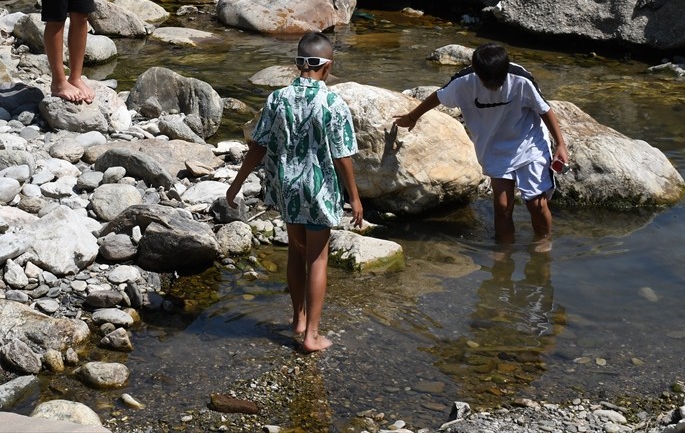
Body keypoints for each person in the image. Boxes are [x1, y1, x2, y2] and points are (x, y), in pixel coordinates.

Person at [226, 32, 365, 353]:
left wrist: (236, 183)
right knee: (318, 258)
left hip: (287, 187)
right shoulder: (333, 102)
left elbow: (257, 146)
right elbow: (342, 155)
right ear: (327, 67)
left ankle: (298, 319)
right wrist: (354, 197)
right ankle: (312, 336)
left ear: (298, 64)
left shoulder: (277, 99)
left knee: (295, 252)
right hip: (318, 190)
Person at [393, 42, 568, 246]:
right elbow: (438, 97)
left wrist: (560, 144)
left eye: (498, 80)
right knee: (502, 207)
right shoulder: (463, 82)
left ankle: (543, 245)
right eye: (489, 81)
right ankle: (504, 254)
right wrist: (413, 117)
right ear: (476, 72)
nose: (494, 85)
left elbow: (544, 110)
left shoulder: (521, 79)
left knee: (536, 203)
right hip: (493, 148)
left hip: (528, 143)